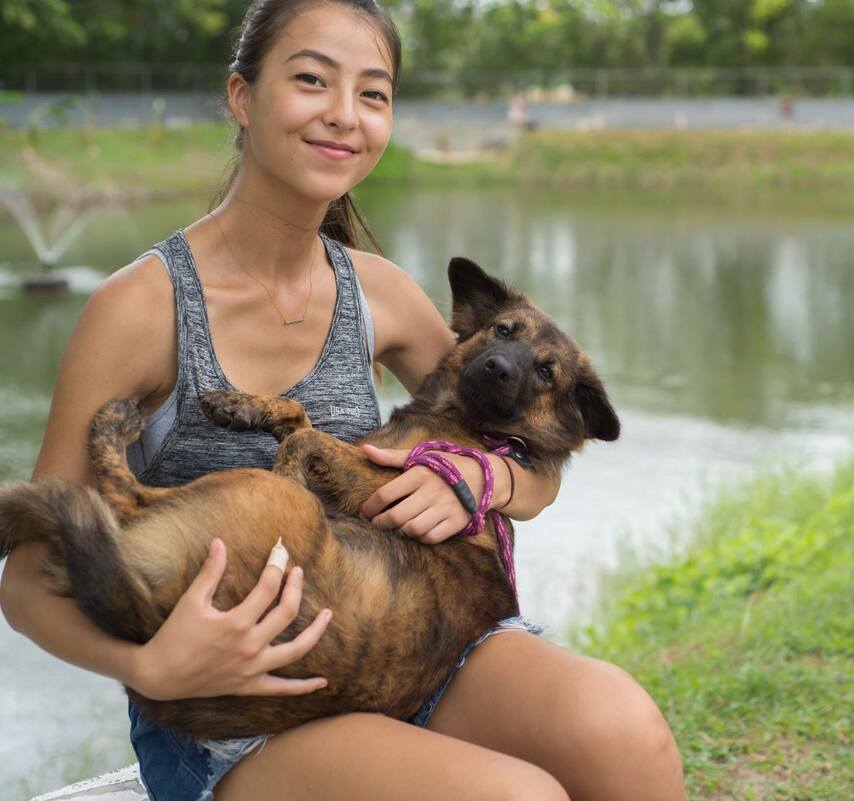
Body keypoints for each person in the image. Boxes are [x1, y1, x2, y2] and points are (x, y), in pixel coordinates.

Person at [0, 2, 686, 800]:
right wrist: (148, 664)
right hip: (240, 711)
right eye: (311, 80)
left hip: (414, 652)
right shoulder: (141, 307)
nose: (342, 115)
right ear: (242, 96)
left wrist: (478, 481)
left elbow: (536, 466)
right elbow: (27, 572)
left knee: (624, 731)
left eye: (373, 93)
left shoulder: (382, 295)